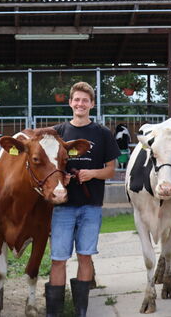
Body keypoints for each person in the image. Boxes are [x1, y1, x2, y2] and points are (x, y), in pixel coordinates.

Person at [48, 81, 119, 317]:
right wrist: (61, 178)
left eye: (85, 100)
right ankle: (54, 313)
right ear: (70, 103)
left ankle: (81, 310)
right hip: (63, 205)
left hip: (91, 206)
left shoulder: (103, 134)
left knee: (85, 256)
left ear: (92, 104)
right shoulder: (58, 133)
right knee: (58, 258)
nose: (80, 104)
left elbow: (111, 170)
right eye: (76, 100)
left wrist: (92, 174)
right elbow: (48, 166)